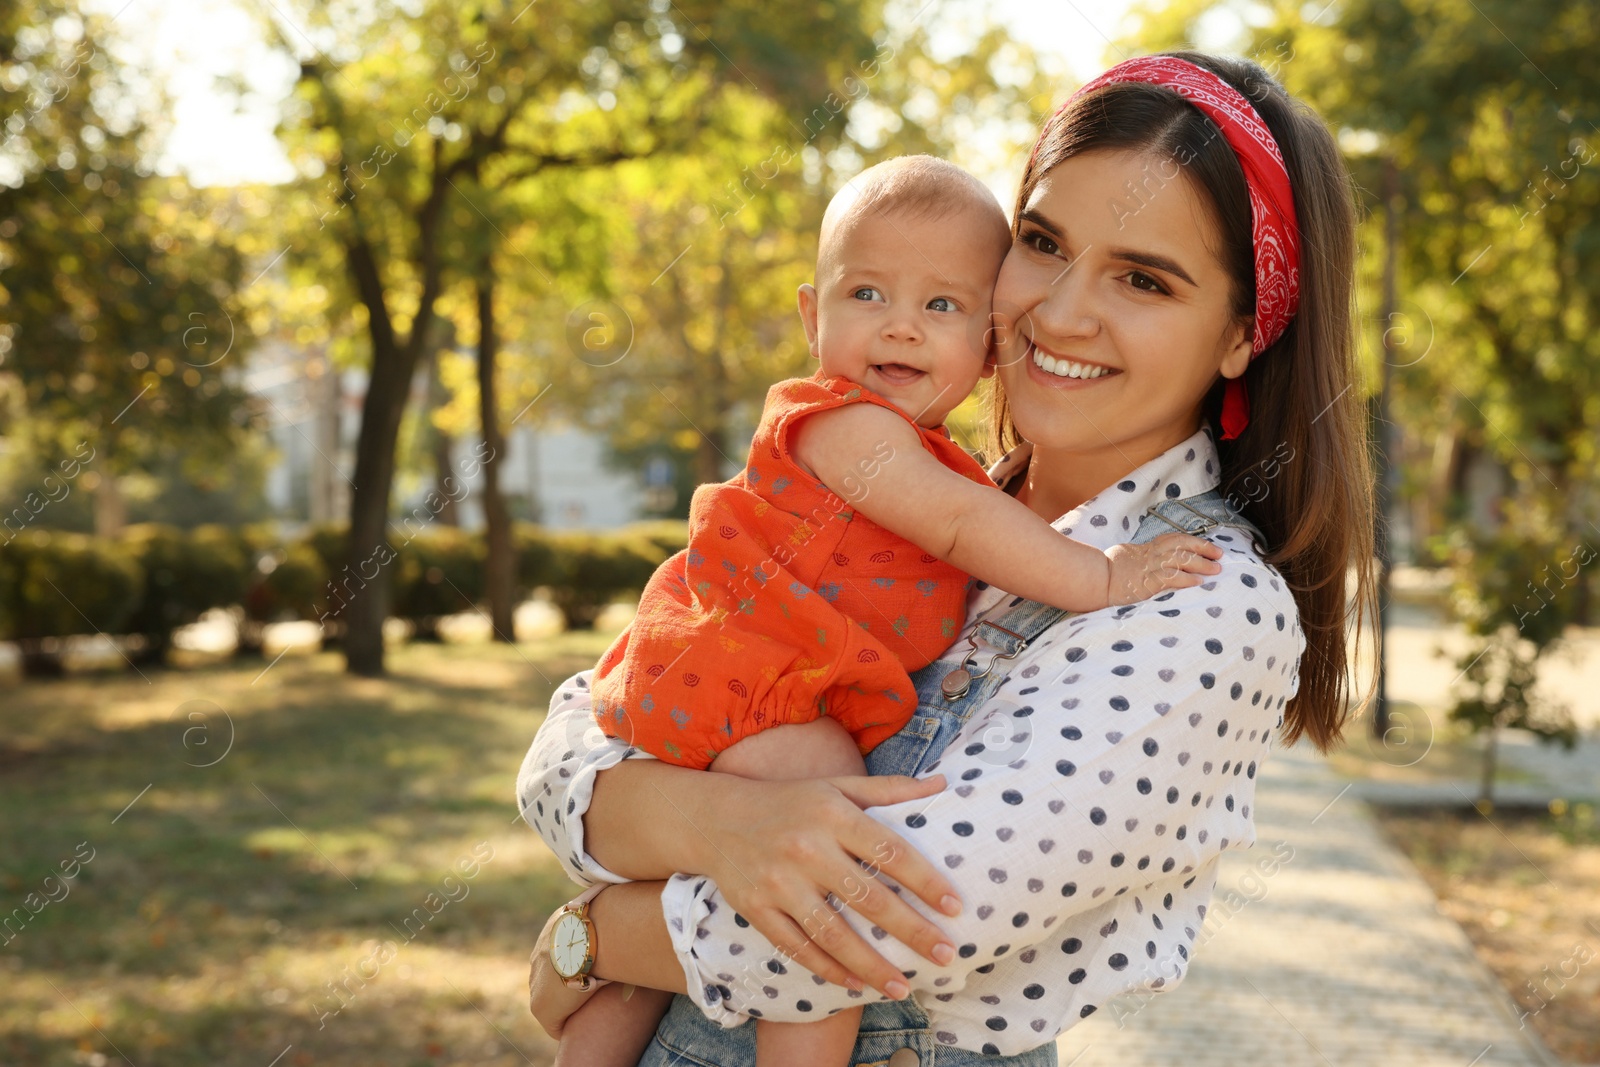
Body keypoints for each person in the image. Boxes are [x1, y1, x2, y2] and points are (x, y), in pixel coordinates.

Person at [520, 50, 1376, 1066]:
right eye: (1044, 242)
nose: (1059, 312)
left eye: (1144, 278)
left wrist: (592, 936)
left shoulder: (1202, 605)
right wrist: (714, 825)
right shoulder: (918, 495)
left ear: (1240, 335)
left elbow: (875, 926)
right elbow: (581, 732)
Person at [559, 154, 1220, 1067]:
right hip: (754, 688)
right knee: (834, 876)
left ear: (989, 343)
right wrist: (1106, 576)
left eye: (942, 306)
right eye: (866, 294)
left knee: (642, 962)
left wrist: (596, 933)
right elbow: (958, 524)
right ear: (811, 316)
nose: (901, 327)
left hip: (734, 689)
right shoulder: (848, 425)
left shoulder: (938, 457)